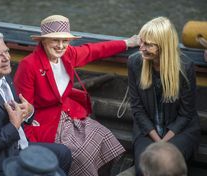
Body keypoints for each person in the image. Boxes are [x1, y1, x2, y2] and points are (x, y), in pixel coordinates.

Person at [14, 15, 139, 176]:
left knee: (106, 136)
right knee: (81, 155)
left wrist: (127, 43)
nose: (61, 46)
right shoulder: (29, 65)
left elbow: (94, 50)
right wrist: (30, 146)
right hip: (43, 122)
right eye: (55, 41)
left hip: (70, 113)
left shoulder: (69, 54)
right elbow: (24, 109)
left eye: (65, 41)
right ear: (43, 41)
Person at [0, 29, 72, 176]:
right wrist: (13, 126)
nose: (6, 58)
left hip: (17, 146)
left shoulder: (1, 73)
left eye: (6, 51)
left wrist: (29, 112)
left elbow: (18, 112)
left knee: (63, 153)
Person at [127, 16, 201, 175]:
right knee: (143, 168)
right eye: (141, 42)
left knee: (166, 167)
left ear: (164, 46)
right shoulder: (134, 63)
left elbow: (186, 114)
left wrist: (163, 143)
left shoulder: (185, 68)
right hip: (146, 130)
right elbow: (137, 109)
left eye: (148, 45)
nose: (141, 48)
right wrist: (157, 141)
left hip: (180, 131)